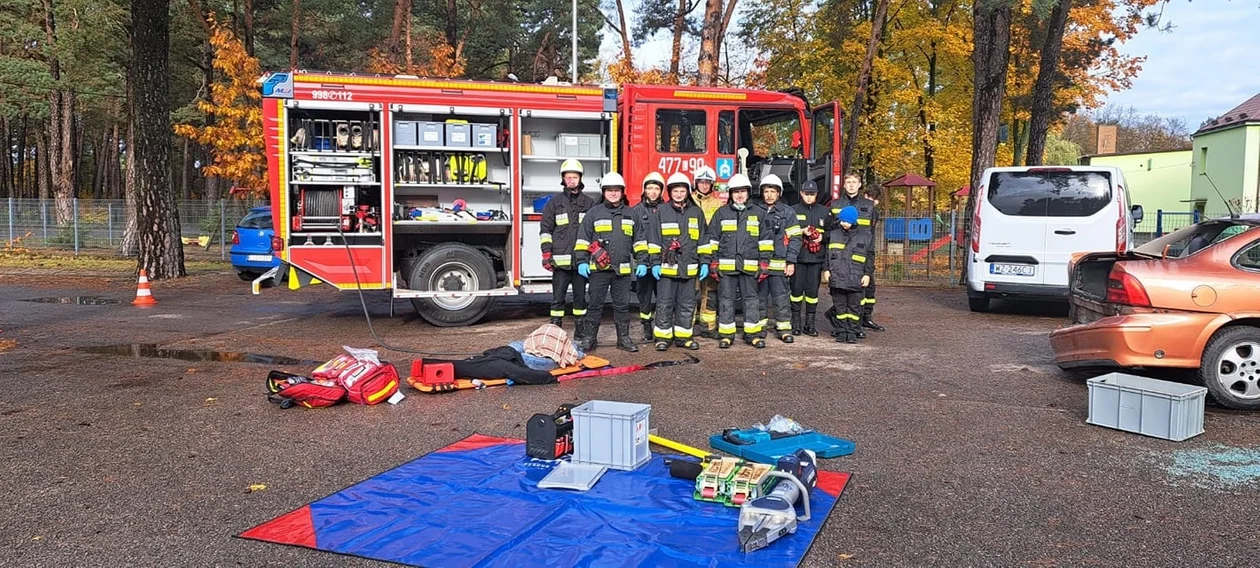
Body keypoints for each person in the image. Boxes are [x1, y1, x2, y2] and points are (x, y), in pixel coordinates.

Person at [574, 173, 643, 353]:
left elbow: (639, 241)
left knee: (622, 306)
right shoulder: (593, 213)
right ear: (604, 192)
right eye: (610, 190)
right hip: (599, 269)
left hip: (622, 270)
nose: (613, 194)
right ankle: (589, 339)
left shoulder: (631, 214)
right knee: (595, 304)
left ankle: (624, 339)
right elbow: (582, 239)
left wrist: (643, 261)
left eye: (617, 190)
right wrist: (581, 261)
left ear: (622, 192)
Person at [648, 173, 709, 351]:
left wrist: (704, 262)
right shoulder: (661, 211)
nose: (679, 194)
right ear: (670, 192)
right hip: (667, 268)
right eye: (675, 191)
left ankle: (684, 337)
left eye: (682, 191)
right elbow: (653, 239)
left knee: (687, 304)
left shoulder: (696, 212)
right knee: (664, 303)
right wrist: (654, 263)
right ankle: (662, 338)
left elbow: (704, 240)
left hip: (689, 269)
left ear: (687, 192)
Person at [706, 173, 767, 349]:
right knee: (725, 300)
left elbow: (766, 242)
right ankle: (726, 335)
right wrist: (714, 262)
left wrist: (764, 264)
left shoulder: (759, 214)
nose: (740, 195)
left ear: (748, 193)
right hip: (727, 267)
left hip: (750, 267)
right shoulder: (721, 213)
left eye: (743, 191)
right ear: (731, 194)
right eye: (736, 192)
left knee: (751, 301)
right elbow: (712, 240)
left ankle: (752, 335)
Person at [539, 159, 594, 330]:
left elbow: (594, 232)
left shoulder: (589, 203)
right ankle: (555, 331)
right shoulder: (554, 203)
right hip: (560, 263)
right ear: (563, 179)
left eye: (574, 177)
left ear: (580, 178)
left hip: (580, 263)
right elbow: (546, 230)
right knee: (557, 299)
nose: (571, 180)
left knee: (580, 299)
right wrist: (547, 254)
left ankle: (580, 332)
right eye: (568, 177)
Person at [755, 174, 802, 343]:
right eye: (766, 191)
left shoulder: (788, 213)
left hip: (780, 264)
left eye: (772, 191)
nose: (769, 195)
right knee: (759, 299)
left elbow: (796, 238)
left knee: (781, 298)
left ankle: (784, 329)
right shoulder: (754, 211)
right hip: (760, 264)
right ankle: (758, 329)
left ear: (779, 193)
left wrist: (791, 261)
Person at [826, 206, 874, 344]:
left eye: (846, 221)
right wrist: (826, 269)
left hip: (856, 277)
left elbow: (870, 257)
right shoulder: (834, 234)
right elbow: (827, 255)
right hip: (837, 277)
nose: (843, 224)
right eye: (842, 221)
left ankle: (852, 331)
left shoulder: (866, 236)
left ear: (853, 221)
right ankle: (841, 331)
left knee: (854, 307)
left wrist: (867, 274)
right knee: (840, 307)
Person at [791, 180, 828, 336]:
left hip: (816, 259)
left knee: (812, 293)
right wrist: (801, 231)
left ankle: (810, 324)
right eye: (806, 194)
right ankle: (796, 323)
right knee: (796, 292)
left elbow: (834, 233)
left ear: (816, 195)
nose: (809, 197)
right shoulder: (792, 211)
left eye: (812, 194)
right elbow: (786, 234)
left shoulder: (825, 212)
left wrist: (822, 237)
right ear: (801, 193)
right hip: (798, 258)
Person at [690, 165, 724, 338]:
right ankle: (685, 328)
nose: (704, 185)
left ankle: (708, 328)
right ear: (696, 183)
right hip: (690, 254)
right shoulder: (688, 201)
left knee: (710, 292)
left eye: (707, 182)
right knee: (690, 292)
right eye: (701, 182)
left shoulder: (718, 204)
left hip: (710, 254)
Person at [632, 172, 666, 341]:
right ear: (644, 190)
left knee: (663, 298)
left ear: (661, 191)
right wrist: (642, 261)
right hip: (644, 265)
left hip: (663, 263)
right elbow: (635, 238)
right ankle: (646, 326)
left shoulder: (667, 210)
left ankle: (661, 327)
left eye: (656, 188)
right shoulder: (636, 211)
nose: (652, 192)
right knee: (644, 298)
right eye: (649, 188)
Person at [860, 185, 886, 334]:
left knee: (870, 289)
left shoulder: (874, 213)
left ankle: (866, 316)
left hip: (868, 253)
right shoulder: (858, 210)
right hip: (856, 253)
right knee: (857, 290)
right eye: (869, 198)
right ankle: (852, 318)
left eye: (874, 199)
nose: (871, 202)